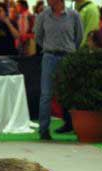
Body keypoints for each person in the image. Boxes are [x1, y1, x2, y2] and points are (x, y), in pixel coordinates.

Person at [35, 0, 83, 139]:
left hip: (68, 57)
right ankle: (43, 130)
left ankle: (75, 126)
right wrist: (49, 46)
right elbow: (38, 37)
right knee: (46, 94)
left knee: (71, 93)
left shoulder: (74, 15)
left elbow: (78, 37)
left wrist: (69, 49)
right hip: (49, 56)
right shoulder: (43, 16)